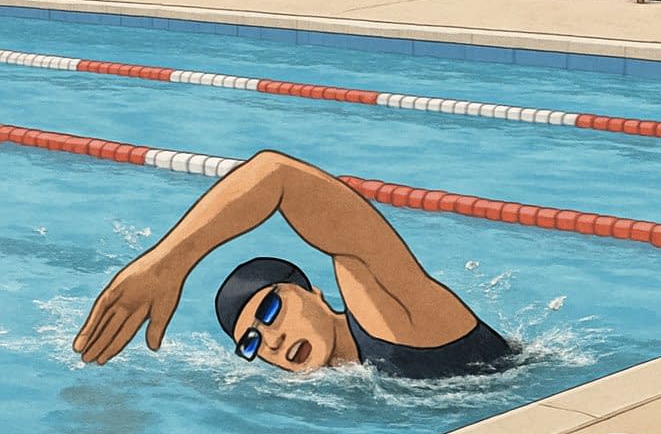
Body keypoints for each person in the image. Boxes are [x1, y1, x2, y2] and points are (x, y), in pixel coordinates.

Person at [73, 150, 518, 379]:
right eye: (250, 343)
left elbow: (277, 175)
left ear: (312, 293)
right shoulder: (345, 385)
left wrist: (167, 263)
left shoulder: (393, 313)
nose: (269, 339)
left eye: (269, 310)